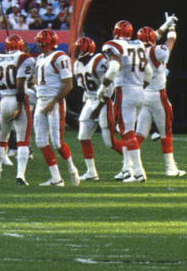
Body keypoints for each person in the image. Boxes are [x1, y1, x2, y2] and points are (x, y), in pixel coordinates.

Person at [29, 29, 81, 187]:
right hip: (41, 101)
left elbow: (68, 84)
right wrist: (35, 86)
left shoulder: (60, 57)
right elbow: (36, 79)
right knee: (40, 141)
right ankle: (56, 177)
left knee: (57, 142)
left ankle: (72, 169)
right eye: (38, 41)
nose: (38, 45)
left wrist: (53, 102)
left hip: (54, 102)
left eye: (41, 42)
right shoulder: (39, 58)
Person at [134, 19, 185, 176]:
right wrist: (172, 28)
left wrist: (165, 24)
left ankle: (128, 166)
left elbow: (154, 36)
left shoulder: (134, 49)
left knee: (140, 133)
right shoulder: (156, 51)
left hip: (143, 94)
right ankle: (170, 168)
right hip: (157, 94)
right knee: (165, 133)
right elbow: (170, 41)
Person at [101, 19, 149, 182]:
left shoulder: (115, 45)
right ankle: (127, 168)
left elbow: (113, 68)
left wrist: (104, 86)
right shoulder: (140, 45)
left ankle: (138, 172)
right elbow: (148, 73)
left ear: (115, 32)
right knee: (131, 132)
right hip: (140, 90)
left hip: (125, 91)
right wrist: (141, 86)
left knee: (127, 132)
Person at [0, 34, 34, 185]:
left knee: (1, 140)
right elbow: (20, 86)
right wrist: (19, 106)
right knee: (22, 141)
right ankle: (21, 175)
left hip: (3, 101)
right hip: (18, 99)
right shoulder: (25, 58)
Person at [72, 36, 115, 180]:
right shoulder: (77, 64)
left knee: (110, 142)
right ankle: (91, 172)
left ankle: (131, 166)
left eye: (79, 49)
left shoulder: (98, 60)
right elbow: (84, 88)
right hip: (91, 100)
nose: (77, 52)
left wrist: (99, 106)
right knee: (83, 136)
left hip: (103, 100)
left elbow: (109, 85)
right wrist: (89, 105)